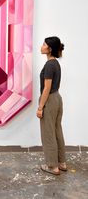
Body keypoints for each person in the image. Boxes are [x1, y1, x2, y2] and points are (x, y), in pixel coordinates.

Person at [37, 36, 67, 175]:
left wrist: (40, 107)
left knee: (48, 133)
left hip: (49, 99)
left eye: (44, 44)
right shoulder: (56, 63)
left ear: (49, 49)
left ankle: (52, 166)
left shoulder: (49, 65)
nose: (41, 46)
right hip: (57, 98)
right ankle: (62, 163)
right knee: (57, 130)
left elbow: (46, 88)